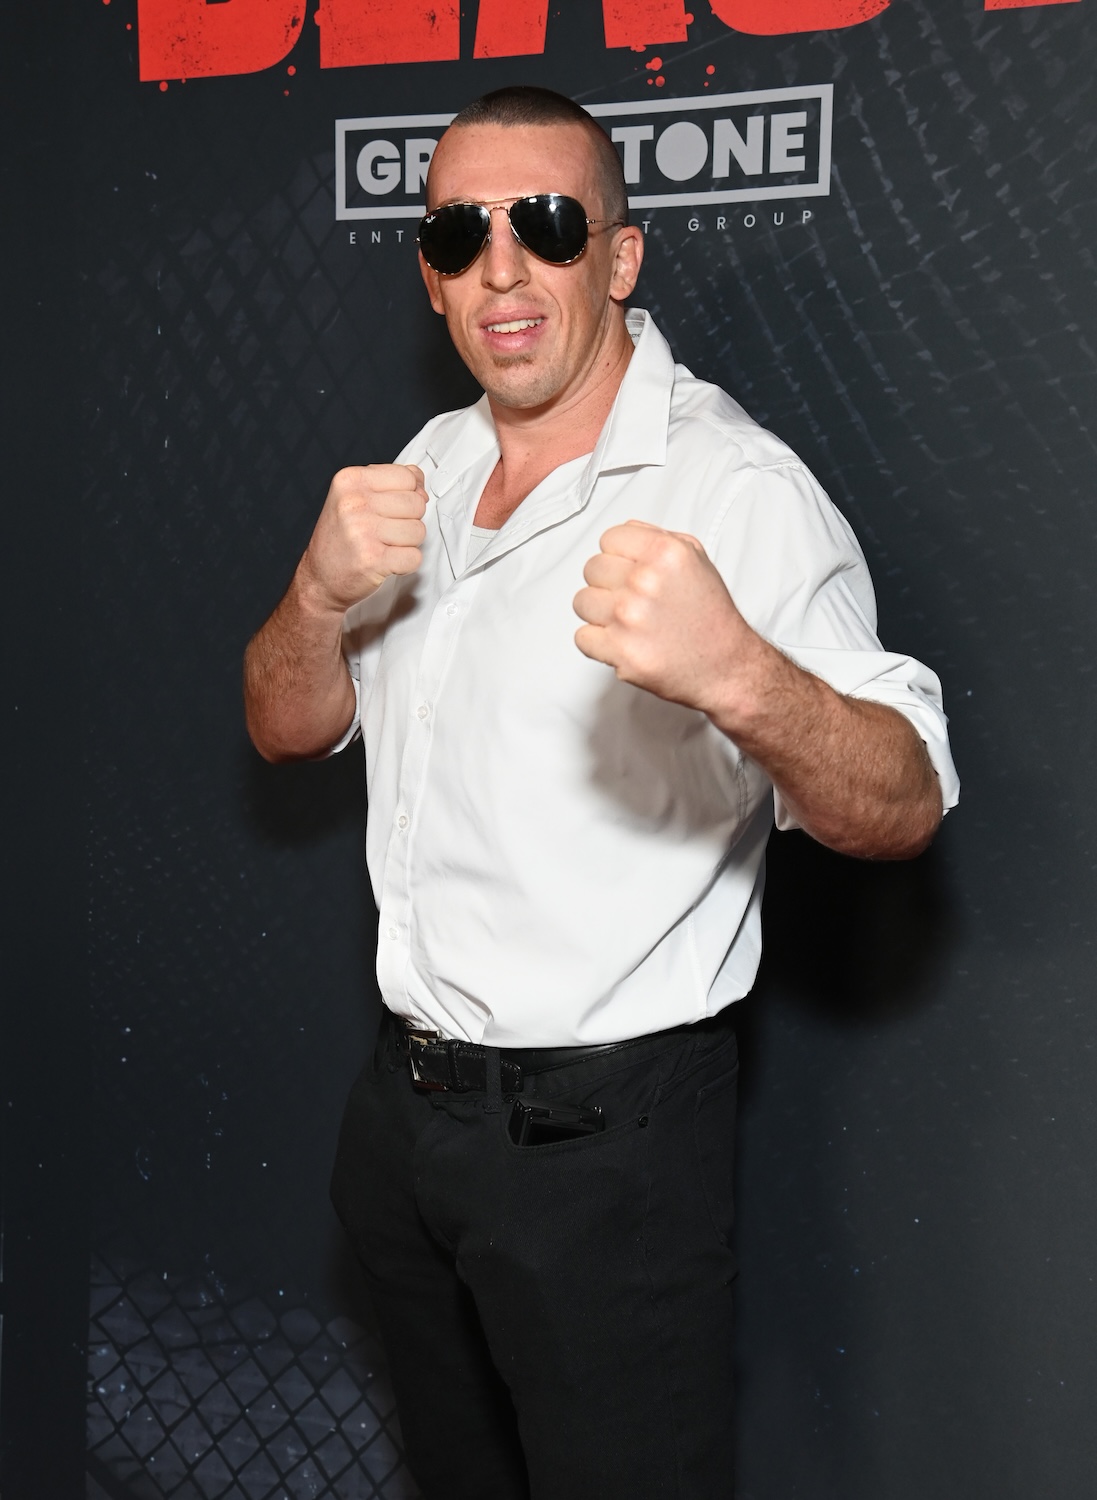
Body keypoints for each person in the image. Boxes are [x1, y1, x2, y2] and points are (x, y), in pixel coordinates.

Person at [244, 85, 958, 1500]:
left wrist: (742, 677)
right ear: (431, 273)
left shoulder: (731, 487)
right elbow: (282, 729)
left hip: (605, 1155)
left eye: (546, 225)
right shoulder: (425, 469)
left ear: (617, 258)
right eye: (458, 233)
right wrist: (314, 600)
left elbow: (905, 799)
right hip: (405, 1120)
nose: (500, 267)